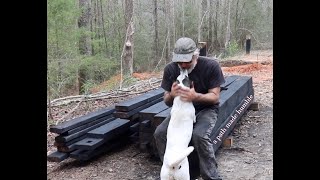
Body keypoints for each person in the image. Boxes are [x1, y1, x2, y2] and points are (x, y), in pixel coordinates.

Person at [153, 37, 225, 180]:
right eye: (180, 61)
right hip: (181, 111)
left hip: (206, 109)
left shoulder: (211, 66)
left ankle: (211, 176)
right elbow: (167, 101)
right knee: (159, 133)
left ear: (195, 56)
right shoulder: (171, 69)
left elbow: (215, 97)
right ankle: (170, 171)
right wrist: (172, 95)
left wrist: (195, 96)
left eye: (187, 61)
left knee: (199, 136)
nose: (183, 65)